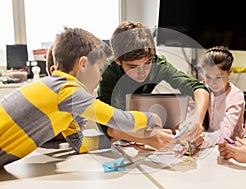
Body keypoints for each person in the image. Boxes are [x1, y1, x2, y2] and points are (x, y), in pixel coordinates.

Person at [0, 27, 162, 167]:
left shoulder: (63, 102)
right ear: (83, 64)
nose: (101, 78)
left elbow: (80, 144)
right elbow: (119, 119)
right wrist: (152, 118)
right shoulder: (67, 90)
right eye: (99, 69)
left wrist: (127, 141)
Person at [97, 21, 210, 150]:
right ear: (118, 60)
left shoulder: (158, 64)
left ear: (153, 54)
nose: (142, 72)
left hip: (143, 132)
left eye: (147, 63)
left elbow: (198, 88)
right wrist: (148, 139)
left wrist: (197, 120)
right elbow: (106, 124)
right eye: (133, 67)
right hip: (118, 139)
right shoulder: (108, 73)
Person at [199, 46, 245, 148]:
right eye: (208, 77)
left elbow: (225, 133)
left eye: (218, 77)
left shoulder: (235, 96)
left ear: (230, 71)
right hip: (208, 146)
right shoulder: (202, 89)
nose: (212, 83)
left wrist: (202, 140)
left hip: (231, 148)